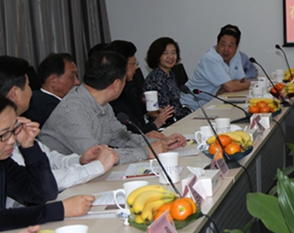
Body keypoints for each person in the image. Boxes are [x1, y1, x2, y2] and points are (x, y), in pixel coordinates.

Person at [0, 56, 118, 191]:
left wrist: (80, 160)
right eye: (28, 85)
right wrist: (96, 167)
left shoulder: (19, 125)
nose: (31, 91)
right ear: (15, 93)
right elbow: (39, 181)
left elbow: (48, 158)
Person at [39, 51, 186, 164]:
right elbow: (96, 157)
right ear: (116, 84)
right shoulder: (73, 111)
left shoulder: (101, 103)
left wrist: (161, 143)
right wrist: (146, 152)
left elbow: (122, 138)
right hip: (60, 186)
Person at [0, 95, 93, 233]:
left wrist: (29, 146)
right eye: (4, 134)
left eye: (14, 129)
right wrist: (60, 210)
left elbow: (44, 193)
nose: (12, 140)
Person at [107, 40, 173, 135]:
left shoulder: (128, 87)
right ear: (122, 66)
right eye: (133, 63)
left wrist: (150, 112)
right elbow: (131, 134)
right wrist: (156, 124)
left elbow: (137, 114)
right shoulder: (114, 98)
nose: (136, 67)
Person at [180, 25, 257, 106]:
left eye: (230, 46)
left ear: (236, 48)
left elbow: (240, 80)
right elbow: (231, 87)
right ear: (217, 44)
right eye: (223, 44)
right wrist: (247, 85)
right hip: (194, 105)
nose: (226, 49)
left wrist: (228, 86)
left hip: (214, 101)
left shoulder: (236, 55)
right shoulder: (210, 58)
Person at [22, 53, 80, 126]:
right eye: (72, 77)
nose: (77, 82)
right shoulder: (51, 109)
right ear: (52, 81)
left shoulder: (38, 99)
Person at [143, 37, 190, 120]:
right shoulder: (155, 78)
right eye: (165, 53)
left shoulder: (170, 74)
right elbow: (165, 110)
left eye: (173, 52)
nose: (170, 56)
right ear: (157, 55)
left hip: (180, 117)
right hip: (168, 122)